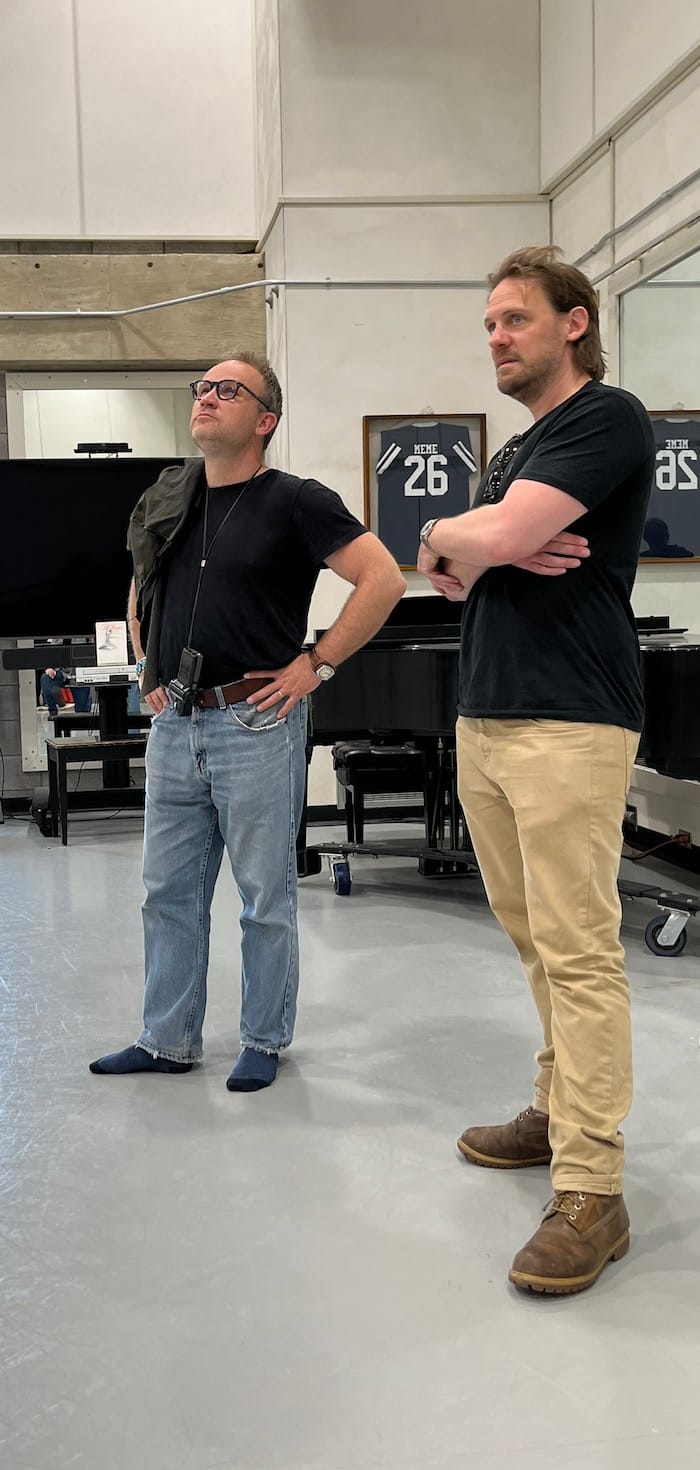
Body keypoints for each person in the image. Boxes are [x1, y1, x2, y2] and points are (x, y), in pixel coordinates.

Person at [417, 246, 655, 1295]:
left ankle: (593, 1191)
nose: (496, 337)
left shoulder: (606, 418)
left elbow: (501, 540)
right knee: (531, 941)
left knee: (580, 951)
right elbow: (443, 572)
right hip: (487, 717)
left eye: (513, 319)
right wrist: (450, 532)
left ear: (573, 323)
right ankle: (557, 1110)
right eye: (488, 325)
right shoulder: (512, 450)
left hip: (568, 720)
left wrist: (494, 539)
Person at [90, 352, 406, 1091]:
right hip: (176, 724)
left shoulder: (296, 500)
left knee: (265, 894)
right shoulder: (173, 497)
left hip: (255, 723)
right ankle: (166, 1038)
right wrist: (148, 670)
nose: (206, 398)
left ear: (264, 419)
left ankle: (263, 1037)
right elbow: (142, 586)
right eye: (201, 388)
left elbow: (383, 578)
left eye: (227, 390)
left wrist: (315, 665)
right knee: (166, 891)